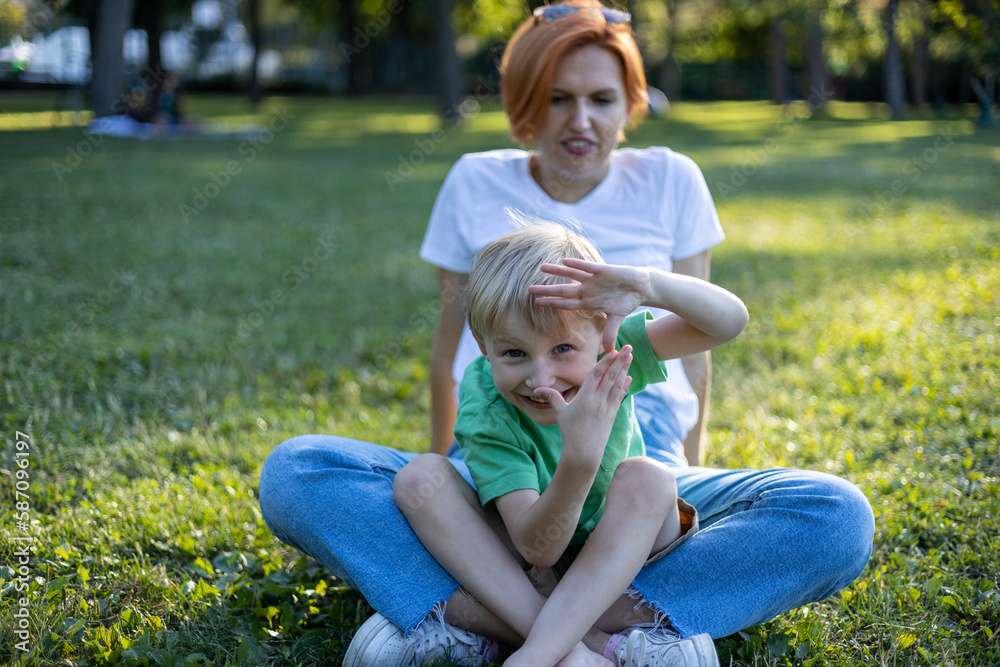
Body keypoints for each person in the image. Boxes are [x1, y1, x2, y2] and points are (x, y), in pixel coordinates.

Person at [258, 1, 876, 666]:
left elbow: (712, 336)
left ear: (629, 103)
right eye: (557, 99)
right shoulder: (473, 181)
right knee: (297, 470)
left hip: (645, 457)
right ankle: (615, 637)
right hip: (500, 447)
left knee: (836, 517)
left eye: (601, 99)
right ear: (526, 103)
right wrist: (454, 484)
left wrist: (643, 285)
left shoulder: (668, 188)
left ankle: (461, 614)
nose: (580, 120)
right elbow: (449, 349)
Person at [395, 222, 748, 666]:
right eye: (514, 354)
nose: (541, 381)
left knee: (650, 478)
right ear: (484, 348)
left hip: (626, 547)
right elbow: (538, 547)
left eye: (562, 349)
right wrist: (579, 460)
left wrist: (646, 284)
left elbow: (729, 322)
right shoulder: (485, 403)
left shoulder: (613, 354)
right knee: (419, 479)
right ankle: (584, 649)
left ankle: (525, 646)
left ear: (601, 335)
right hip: (535, 551)